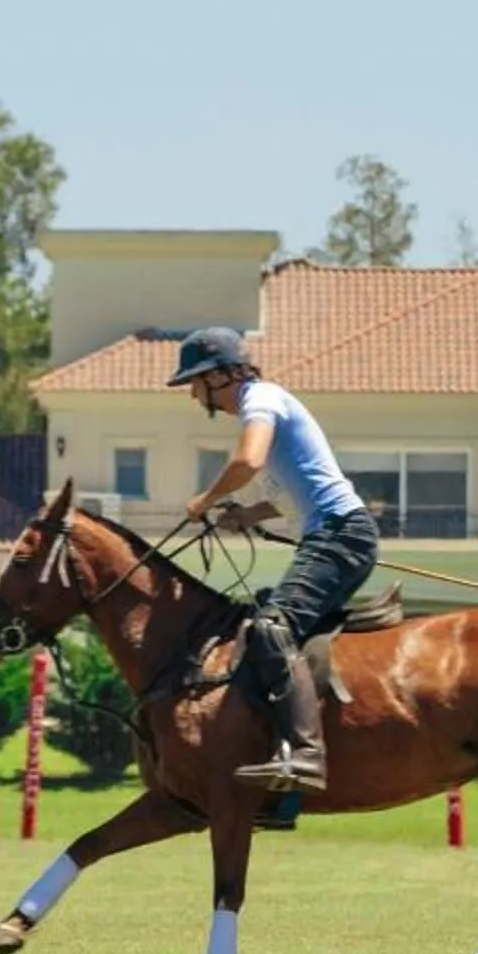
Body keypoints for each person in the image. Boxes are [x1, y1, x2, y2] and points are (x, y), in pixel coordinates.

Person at [168, 325, 380, 797]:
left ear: (219, 376)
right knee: (268, 625)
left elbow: (247, 462)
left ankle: (306, 753)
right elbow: (288, 495)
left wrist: (205, 500)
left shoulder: (260, 399)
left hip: (339, 534)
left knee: (270, 628)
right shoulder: (265, 402)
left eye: (194, 383)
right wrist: (246, 515)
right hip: (335, 534)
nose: (193, 396)